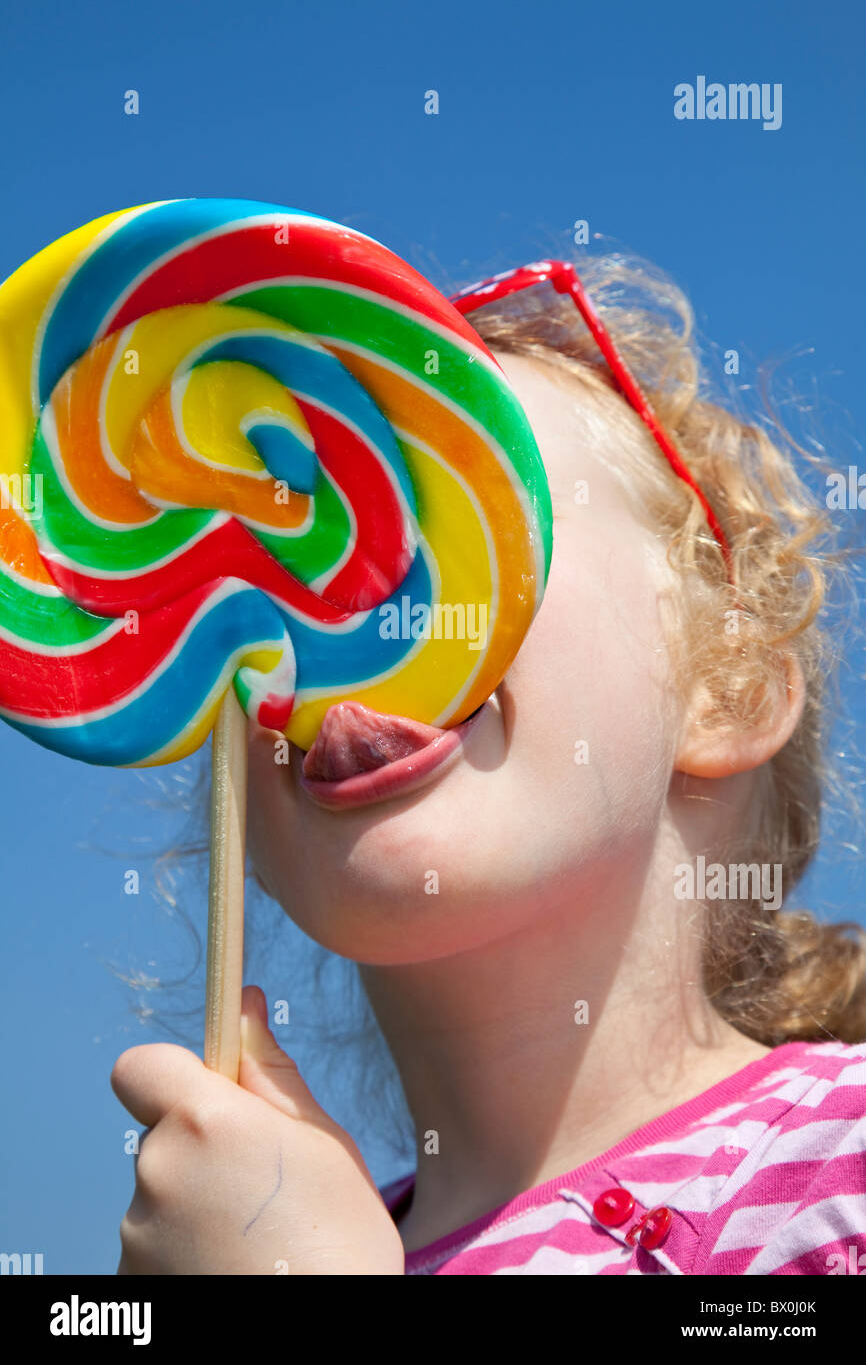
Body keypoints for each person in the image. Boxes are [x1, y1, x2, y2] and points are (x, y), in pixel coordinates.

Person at [111, 251, 866, 1275]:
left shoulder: (834, 1165)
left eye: (449, 524)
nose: (343, 604)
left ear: (724, 685)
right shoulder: (253, 1239)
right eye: (278, 556)